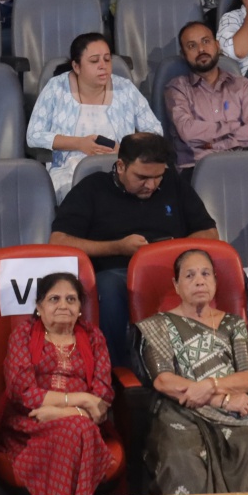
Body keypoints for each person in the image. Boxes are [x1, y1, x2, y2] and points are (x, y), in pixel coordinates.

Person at [137, 247, 248, 494]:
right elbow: (163, 381)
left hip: (237, 406)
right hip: (181, 409)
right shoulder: (158, 325)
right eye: (189, 276)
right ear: (176, 284)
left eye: (205, 274)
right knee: (183, 458)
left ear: (215, 280)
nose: (199, 280)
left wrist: (211, 385)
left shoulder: (232, 324)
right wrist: (220, 399)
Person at [50, 133, 221, 359]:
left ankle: (210, 364)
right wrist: (117, 247)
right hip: (117, 273)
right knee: (108, 287)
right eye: (141, 177)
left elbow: (209, 233)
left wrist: (169, 251)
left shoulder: (174, 185)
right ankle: (117, 372)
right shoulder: (92, 188)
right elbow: (59, 241)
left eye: (157, 177)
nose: (150, 185)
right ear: (121, 166)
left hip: (171, 272)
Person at [0, 272, 117, 495]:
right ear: (39, 307)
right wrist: (81, 401)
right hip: (31, 424)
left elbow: (101, 397)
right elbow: (24, 392)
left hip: (79, 421)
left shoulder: (93, 337)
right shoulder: (23, 335)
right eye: (54, 299)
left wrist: (62, 413)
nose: (63, 305)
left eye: (71, 299)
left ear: (80, 308)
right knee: (79, 430)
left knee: (76, 429)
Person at [27, 33, 162, 198]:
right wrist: (79, 143)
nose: (103, 66)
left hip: (120, 167)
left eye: (107, 59)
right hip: (69, 171)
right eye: (94, 61)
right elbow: (34, 135)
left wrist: (127, 149)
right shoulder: (56, 87)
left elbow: (155, 131)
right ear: (76, 66)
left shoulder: (125, 88)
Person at [166, 19, 248, 168]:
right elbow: (187, 132)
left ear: (217, 46)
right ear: (183, 54)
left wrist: (218, 144)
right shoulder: (177, 88)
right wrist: (235, 126)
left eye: (206, 41)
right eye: (192, 46)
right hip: (197, 168)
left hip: (241, 163)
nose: (201, 49)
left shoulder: (241, 85)